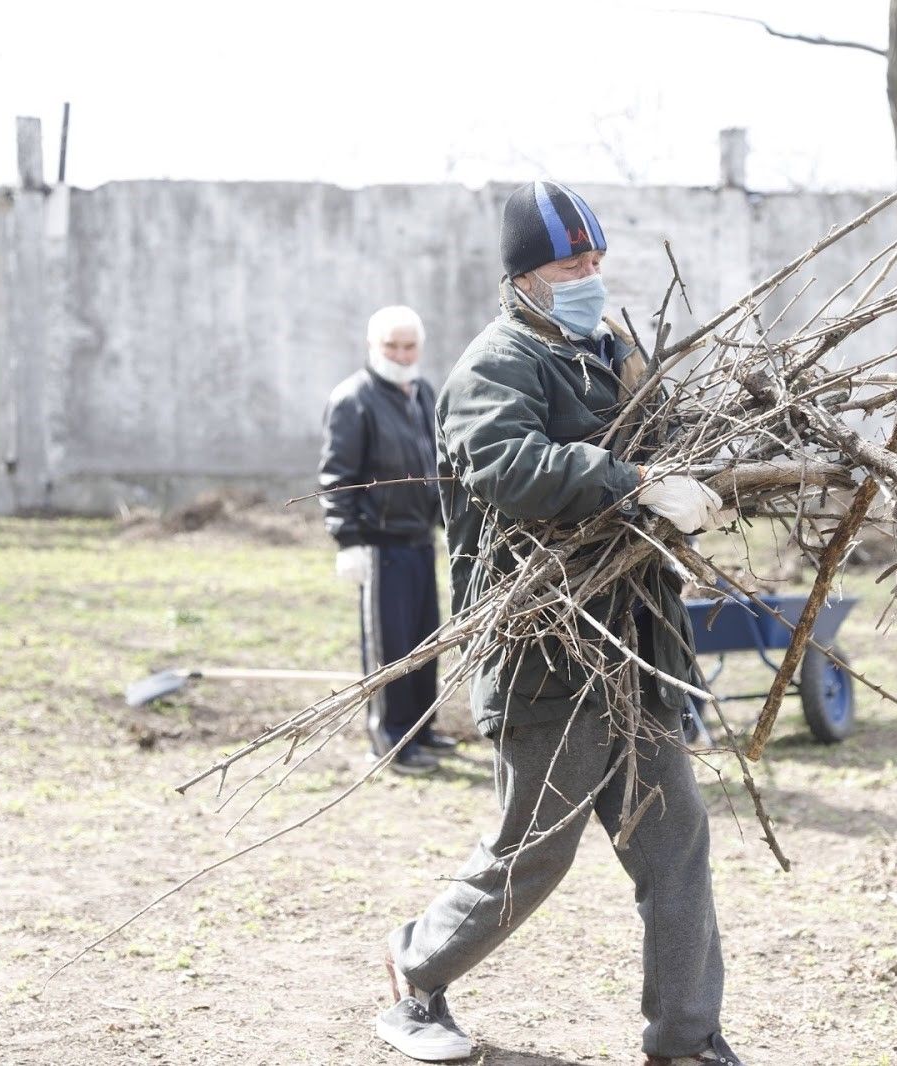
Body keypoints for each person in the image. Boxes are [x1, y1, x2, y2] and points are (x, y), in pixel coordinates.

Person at [373, 182, 744, 1066]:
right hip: (547, 643)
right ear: (525, 277)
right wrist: (634, 483)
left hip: (637, 641)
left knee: (675, 843)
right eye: (572, 263)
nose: (590, 275)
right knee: (534, 851)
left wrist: (711, 478)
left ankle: (687, 1039)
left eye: (595, 260)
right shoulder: (495, 365)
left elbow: (665, 442)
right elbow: (509, 464)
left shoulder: (608, 351)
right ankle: (415, 974)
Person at [320, 305, 457, 776]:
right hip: (379, 547)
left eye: (408, 345)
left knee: (425, 640)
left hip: (419, 541)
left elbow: (435, 464)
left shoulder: (421, 392)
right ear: (373, 347)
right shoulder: (353, 399)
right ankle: (390, 740)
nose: (401, 355)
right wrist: (348, 540)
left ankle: (421, 728)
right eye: (391, 346)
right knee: (390, 647)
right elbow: (337, 476)